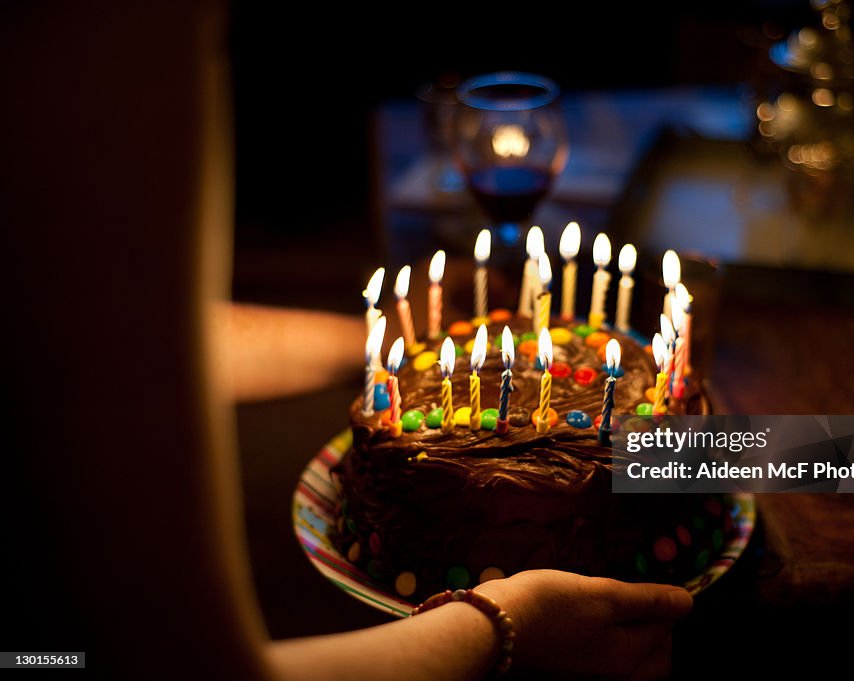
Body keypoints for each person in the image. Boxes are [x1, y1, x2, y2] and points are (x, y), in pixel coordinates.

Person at [2, 3, 692, 679]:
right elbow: (163, 662)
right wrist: (498, 631)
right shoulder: (100, 26)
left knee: (788, 462)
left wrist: (367, 338)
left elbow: (112, 347)